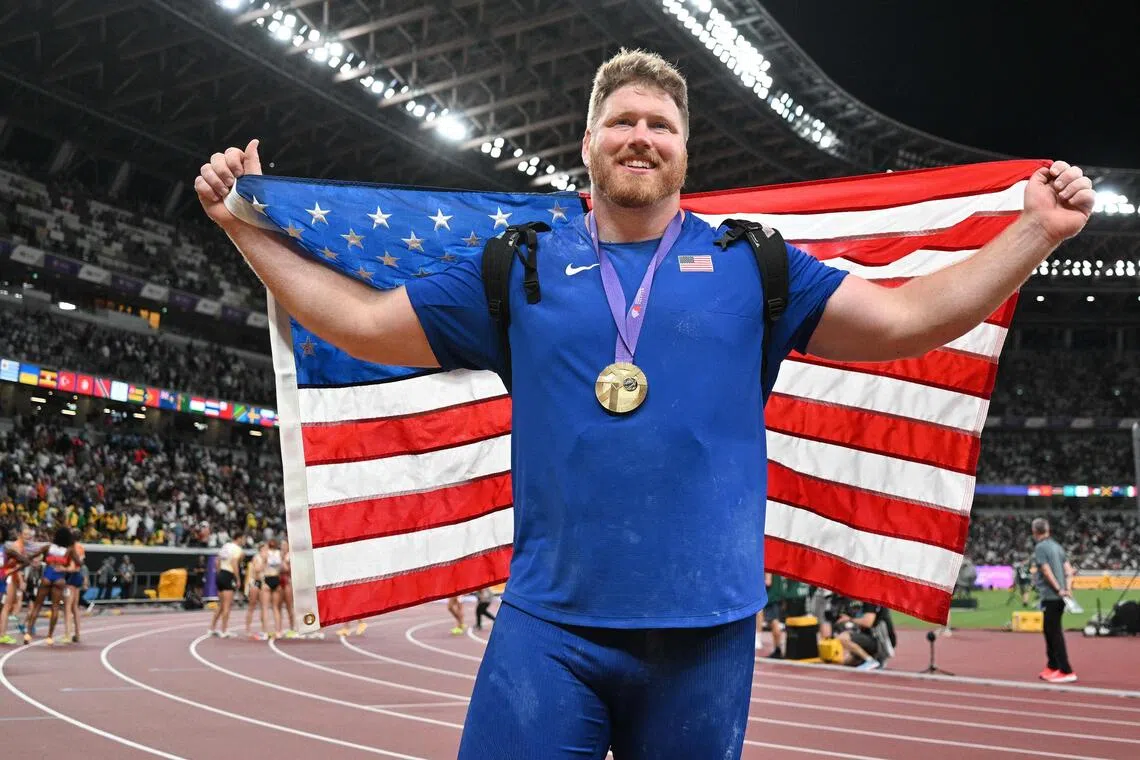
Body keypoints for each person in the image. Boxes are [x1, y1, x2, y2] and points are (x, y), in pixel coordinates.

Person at [195, 48, 1094, 760]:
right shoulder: (524, 264)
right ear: (586, 145)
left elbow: (905, 318)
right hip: (551, 626)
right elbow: (360, 322)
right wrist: (243, 230)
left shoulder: (755, 265)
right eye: (621, 120)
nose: (640, 135)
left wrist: (1035, 232)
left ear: (683, 151)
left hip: (703, 638)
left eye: (660, 123)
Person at [1032, 518, 1077, 683]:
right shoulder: (1057, 547)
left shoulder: (1040, 548)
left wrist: (1059, 589)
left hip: (1052, 596)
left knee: (1054, 632)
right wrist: (1068, 589)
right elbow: (1069, 570)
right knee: (1049, 630)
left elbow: (1045, 569)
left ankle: (1066, 670)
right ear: (1048, 530)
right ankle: (1052, 665)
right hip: (1058, 596)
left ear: (1034, 532)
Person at [209, 532, 244, 638]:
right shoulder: (237, 549)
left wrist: (219, 572)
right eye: (243, 539)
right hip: (228, 575)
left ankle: (212, 628)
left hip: (221, 575)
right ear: (239, 538)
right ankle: (224, 630)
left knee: (221, 604)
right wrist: (237, 578)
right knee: (227, 606)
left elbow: (217, 561)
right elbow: (234, 563)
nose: (244, 541)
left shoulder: (225, 546)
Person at [835, 598, 884, 671]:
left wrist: (849, 619)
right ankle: (868, 659)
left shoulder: (870, 601)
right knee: (845, 663)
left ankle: (870, 660)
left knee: (843, 638)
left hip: (876, 640)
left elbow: (868, 623)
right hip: (866, 637)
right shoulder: (857, 603)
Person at [244, 543, 269, 640]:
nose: (267, 550)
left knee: (264, 607)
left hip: (263, 583)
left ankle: (264, 629)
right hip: (255, 583)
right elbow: (258, 570)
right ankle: (248, 629)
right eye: (265, 548)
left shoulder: (268, 558)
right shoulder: (256, 558)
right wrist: (264, 560)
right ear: (261, 549)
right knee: (252, 606)